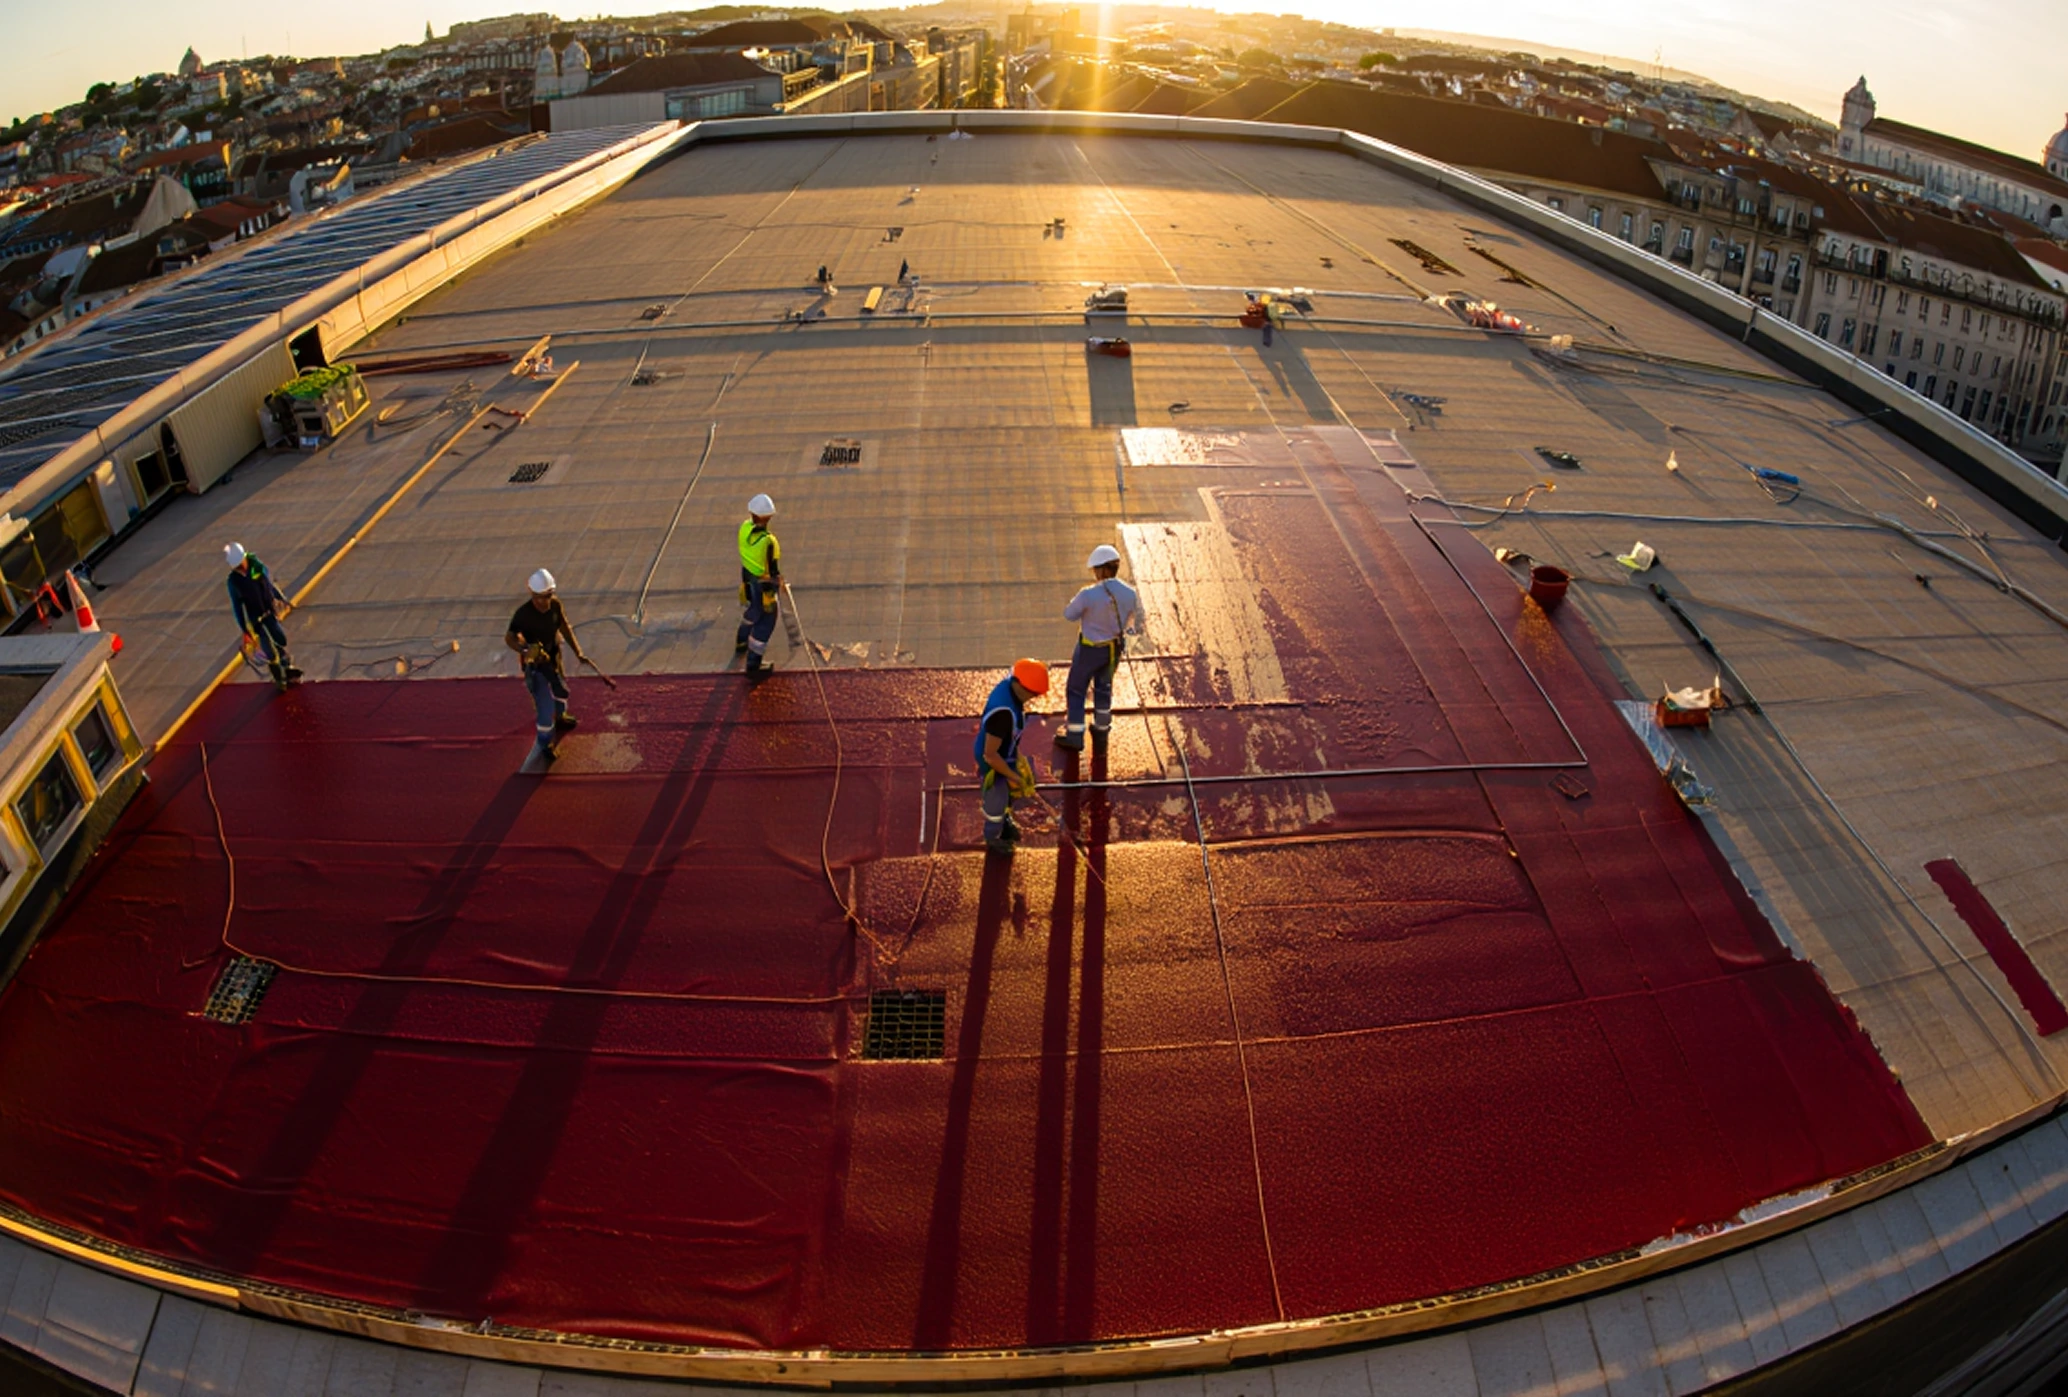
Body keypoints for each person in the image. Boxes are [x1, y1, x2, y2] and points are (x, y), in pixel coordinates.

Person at [1055, 544, 1139, 752]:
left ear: (1101, 569)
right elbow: (1135, 621)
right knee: (1104, 688)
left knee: (1076, 689)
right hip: (1113, 650)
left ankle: (1075, 736)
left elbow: (1069, 615)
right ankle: (1101, 732)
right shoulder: (1130, 593)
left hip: (1089, 650)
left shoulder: (1088, 594)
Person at [505, 568, 588, 763]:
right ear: (532, 594)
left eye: (549, 595)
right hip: (537, 667)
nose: (546, 601)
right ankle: (545, 743)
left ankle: (561, 716)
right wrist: (525, 650)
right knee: (544, 707)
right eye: (541, 597)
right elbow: (509, 637)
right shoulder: (523, 615)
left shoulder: (555, 605)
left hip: (553, 660)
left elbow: (564, 626)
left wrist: (578, 651)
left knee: (561, 691)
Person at [976, 658, 1048, 856]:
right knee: (996, 800)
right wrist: (1014, 777)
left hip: (1005, 752)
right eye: (1032, 694)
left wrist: (1018, 758)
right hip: (992, 762)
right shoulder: (1002, 715)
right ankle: (993, 837)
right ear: (1020, 686)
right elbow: (990, 755)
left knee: (1007, 795)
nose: (1033, 698)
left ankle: (1004, 821)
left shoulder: (1010, 688)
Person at [224, 542, 301, 692]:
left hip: (269, 612)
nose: (240, 569)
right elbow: (237, 606)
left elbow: (269, 586)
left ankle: (286, 667)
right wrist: (244, 629)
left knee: (280, 639)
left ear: (244, 558)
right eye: (237, 567)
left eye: (241, 565)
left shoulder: (257, 567)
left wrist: (282, 598)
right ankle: (279, 677)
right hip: (256, 619)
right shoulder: (233, 582)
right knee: (269, 651)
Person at [735, 493, 782, 677]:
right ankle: (753, 664)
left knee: (753, 611)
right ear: (769, 516)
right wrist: (777, 584)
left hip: (748, 581)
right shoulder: (769, 541)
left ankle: (741, 641)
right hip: (763, 586)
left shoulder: (744, 529)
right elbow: (773, 570)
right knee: (766, 621)